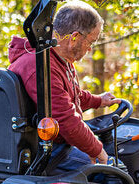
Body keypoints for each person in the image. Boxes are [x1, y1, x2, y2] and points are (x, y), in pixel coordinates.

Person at [8, 0, 120, 173]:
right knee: (112, 173)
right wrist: (99, 152)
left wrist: (99, 101)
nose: (90, 49)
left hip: (56, 143)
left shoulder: (58, 59)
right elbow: (66, 120)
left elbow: (68, 98)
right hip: (45, 151)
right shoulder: (39, 66)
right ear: (74, 37)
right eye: (91, 42)